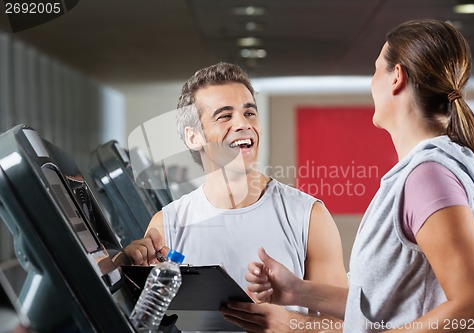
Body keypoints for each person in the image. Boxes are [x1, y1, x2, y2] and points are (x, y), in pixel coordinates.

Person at [246, 19, 474, 333]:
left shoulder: (429, 176)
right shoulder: (424, 172)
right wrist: (297, 291)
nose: (372, 82)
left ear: (397, 78)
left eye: (377, 69)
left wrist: (299, 326)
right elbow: (385, 307)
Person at [124, 62, 348, 331]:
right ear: (194, 137)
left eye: (250, 113)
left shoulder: (308, 216)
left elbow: (346, 324)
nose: (243, 124)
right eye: (224, 116)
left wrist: (294, 326)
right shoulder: (166, 224)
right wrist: (127, 268)